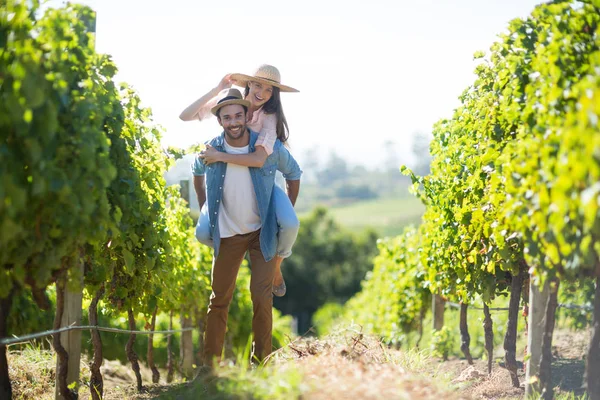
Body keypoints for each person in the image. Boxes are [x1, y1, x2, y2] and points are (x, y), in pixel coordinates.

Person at [191, 87, 302, 364]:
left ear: (246, 115)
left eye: (238, 116)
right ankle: (210, 367)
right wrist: (207, 208)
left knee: (262, 300)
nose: (233, 122)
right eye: (227, 117)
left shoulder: (267, 148)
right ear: (220, 121)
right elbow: (196, 173)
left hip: (261, 235)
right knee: (219, 300)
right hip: (228, 235)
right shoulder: (209, 149)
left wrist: (284, 208)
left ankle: (261, 362)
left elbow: (294, 173)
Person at [180, 64, 299, 297]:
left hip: (261, 182)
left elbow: (258, 159)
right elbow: (185, 116)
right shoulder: (229, 105)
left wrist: (219, 156)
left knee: (290, 223)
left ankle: (276, 264)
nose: (262, 93)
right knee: (203, 233)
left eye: (269, 90)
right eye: (257, 85)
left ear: (273, 95)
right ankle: (238, 249)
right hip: (231, 182)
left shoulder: (269, 117)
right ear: (248, 85)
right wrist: (217, 89)